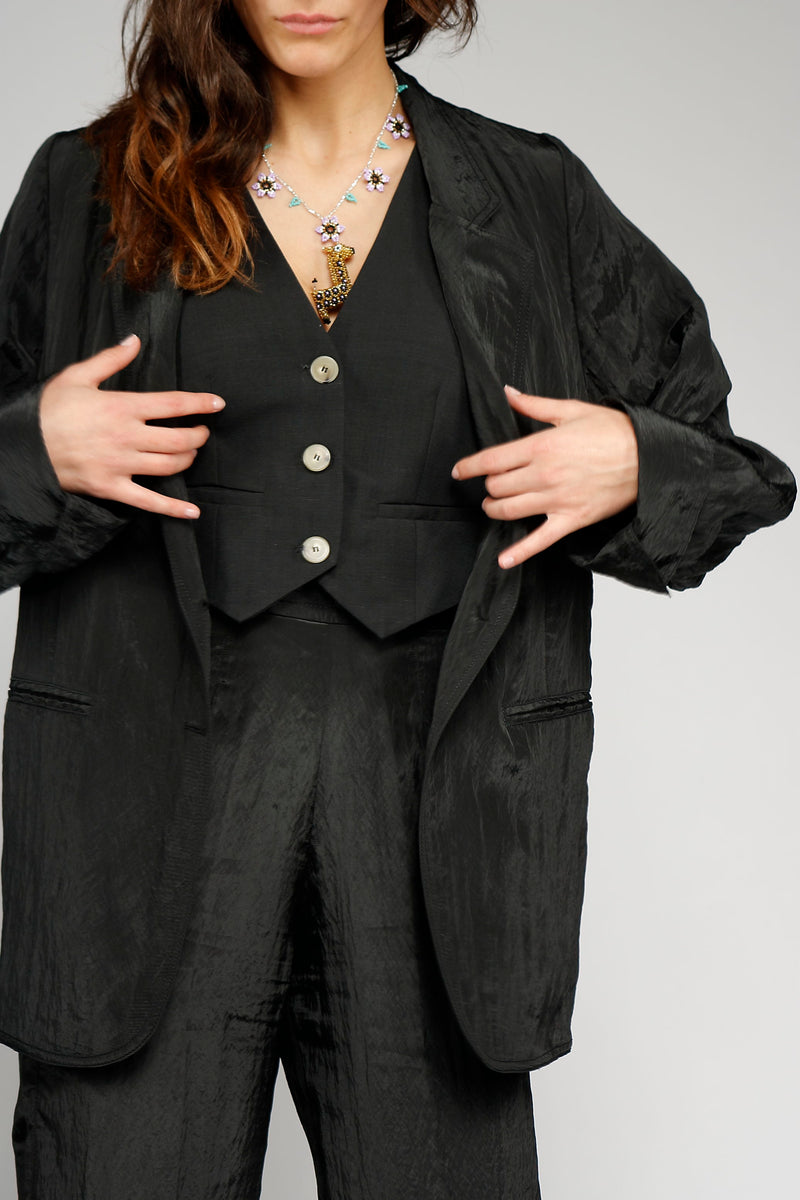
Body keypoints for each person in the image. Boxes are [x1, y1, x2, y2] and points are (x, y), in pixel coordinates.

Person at [0, 1, 794, 1196]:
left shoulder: (531, 195)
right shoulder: (88, 188)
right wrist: (32, 451)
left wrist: (634, 461)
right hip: (134, 834)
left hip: (443, 839)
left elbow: (732, 472)